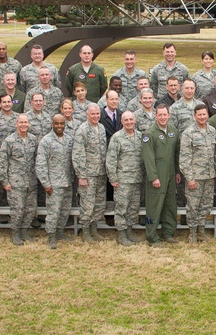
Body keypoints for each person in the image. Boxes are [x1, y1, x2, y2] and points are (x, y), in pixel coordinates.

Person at [142, 104, 181, 245]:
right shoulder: (149, 133)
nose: (163, 117)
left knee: (170, 204)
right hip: (157, 175)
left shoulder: (173, 131)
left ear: (169, 115)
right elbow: (148, 157)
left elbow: (176, 153)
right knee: (154, 206)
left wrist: (177, 171)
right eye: (160, 115)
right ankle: (151, 235)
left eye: (165, 115)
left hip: (170, 174)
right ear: (156, 115)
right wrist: (153, 177)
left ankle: (168, 232)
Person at [0, 114, 37, 246]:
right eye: (21, 122)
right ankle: (15, 233)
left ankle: (24, 231)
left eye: (26, 122)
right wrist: (5, 182)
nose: (24, 124)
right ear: (16, 124)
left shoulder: (33, 140)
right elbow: (2, 162)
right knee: (18, 210)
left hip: (31, 181)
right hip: (15, 182)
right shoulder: (9, 141)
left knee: (30, 209)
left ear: (29, 124)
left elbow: (37, 159)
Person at [178, 104, 216, 243]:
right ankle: (192, 233)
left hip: (209, 176)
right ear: (194, 116)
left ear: (207, 115)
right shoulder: (188, 133)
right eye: (199, 114)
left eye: (204, 114)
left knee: (206, 205)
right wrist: (189, 178)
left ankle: (201, 230)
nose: (202, 117)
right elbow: (184, 158)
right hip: (195, 177)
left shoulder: (212, 131)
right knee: (193, 206)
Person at [106, 110, 145, 247]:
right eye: (126, 120)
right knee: (122, 207)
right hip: (122, 180)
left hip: (137, 178)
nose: (129, 122)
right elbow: (111, 159)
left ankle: (129, 231)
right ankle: (121, 234)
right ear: (122, 122)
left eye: (131, 120)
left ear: (135, 121)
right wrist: (113, 178)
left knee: (133, 207)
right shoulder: (117, 137)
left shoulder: (140, 136)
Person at [36, 114, 75, 249]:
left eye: (61, 123)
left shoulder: (69, 139)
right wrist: (46, 184)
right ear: (52, 124)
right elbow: (41, 164)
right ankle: (51, 235)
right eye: (56, 123)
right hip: (54, 183)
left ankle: (60, 232)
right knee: (54, 211)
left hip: (67, 181)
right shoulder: (46, 141)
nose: (59, 126)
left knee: (65, 210)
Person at [73, 103, 108, 242]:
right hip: (88, 174)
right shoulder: (82, 130)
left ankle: (94, 228)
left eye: (97, 114)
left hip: (101, 172)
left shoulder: (101, 127)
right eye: (92, 114)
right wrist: (81, 175)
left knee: (99, 203)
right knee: (87, 203)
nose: (95, 116)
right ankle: (86, 230)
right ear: (87, 114)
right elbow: (78, 154)